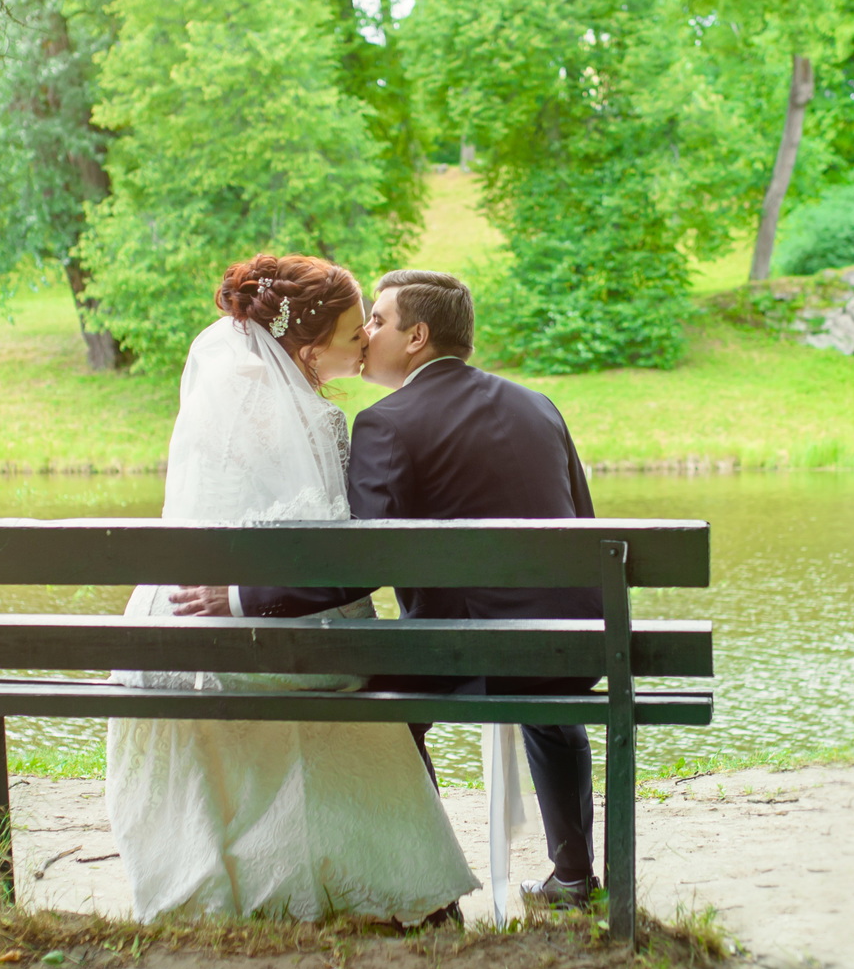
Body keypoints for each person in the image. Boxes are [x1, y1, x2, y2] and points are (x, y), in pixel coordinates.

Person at [173, 269, 606, 910]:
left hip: (460, 653)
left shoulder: (387, 423)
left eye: (377, 320)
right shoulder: (538, 405)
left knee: (386, 718)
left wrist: (239, 595)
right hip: (573, 649)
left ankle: (425, 884)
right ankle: (573, 877)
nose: (366, 332)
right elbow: (586, 529)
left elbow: (352, 563)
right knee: (546, 696)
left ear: (417, 337)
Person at [106, 255, 478, 925]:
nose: (366, 337)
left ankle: (228, 887)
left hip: (170, 640)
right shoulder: (321, 426)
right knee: (356, 677)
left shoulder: (217, 411)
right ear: (308, 351)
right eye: (352, 332)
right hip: (269, 651)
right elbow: (338, 564)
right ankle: (398, 888)